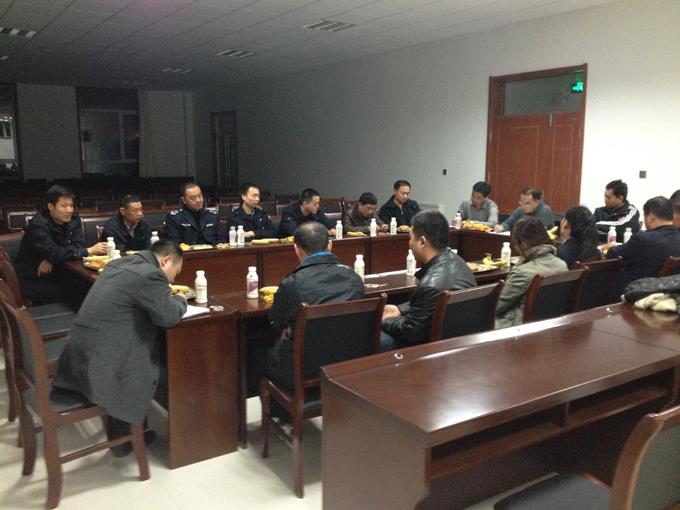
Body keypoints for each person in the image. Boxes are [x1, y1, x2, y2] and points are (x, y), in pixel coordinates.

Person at [53, 240, 187, 457]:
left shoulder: (119, 263)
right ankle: (126, 439)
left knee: (136, 342)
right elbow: (168, 316)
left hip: (78, 354)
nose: (173, 279)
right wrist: (180, 299)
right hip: (100, 364)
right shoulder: (151, 275)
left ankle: (130, 430)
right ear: (166, 261)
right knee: (145, 359)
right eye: (175, 272)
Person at [264, 221, 364, 400]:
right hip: (348, 363)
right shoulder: (354, 278)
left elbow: (275, 323)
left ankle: (279, 409)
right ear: (330, 245)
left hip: (305, 368)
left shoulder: (292, 283)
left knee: (258, 355)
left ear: (296, 249)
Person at [380, 211, 476, 351]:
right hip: (460, 344)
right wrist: (399, 309)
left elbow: (410, 332)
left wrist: (385, 320)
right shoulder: (460, 263)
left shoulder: (431, 285)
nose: (409, 243)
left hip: (432, 350)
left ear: (422, 242)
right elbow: (431, 303)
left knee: (372, 337)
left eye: (410, 238)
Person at [15, 185, 107, 305]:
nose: (69, 210)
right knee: (75, 294)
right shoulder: (39, 224)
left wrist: (52, 259)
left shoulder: (73, 219)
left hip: (59, 269)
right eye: (64, 206)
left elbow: (77, 245)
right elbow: (55, 252)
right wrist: (88, 251)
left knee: (92, 288)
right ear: (50, 206)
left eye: (71, 205)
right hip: (34, 276)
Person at [495, 217, 568, 328]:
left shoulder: (522, 273)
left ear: (524, 245)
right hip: (551, 326)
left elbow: (496, 307)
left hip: (517, 327)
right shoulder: (562, 265)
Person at [607, 196, 680, 296]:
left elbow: (613, 254)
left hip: (637, 294)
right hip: (669, 295)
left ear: (650, 217)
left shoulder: (642, 239)